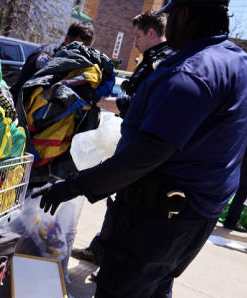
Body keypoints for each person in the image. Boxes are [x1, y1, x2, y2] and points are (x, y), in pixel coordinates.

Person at [33, 0, 247, 298]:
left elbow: (145, 154)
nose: (170, 24)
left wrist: (75, 185)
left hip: (161, 209)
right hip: (197, 210)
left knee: (122, 290)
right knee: (156, 281)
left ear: (187, 15)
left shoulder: (191, 72)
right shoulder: (238, 62)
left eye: (172, 16)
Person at [74, 12, 176, 265]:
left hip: (141, 143)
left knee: (127, 202)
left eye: (137, 35)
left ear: (151, 33)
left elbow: (134, 104)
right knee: (121, 199)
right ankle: (103, 249)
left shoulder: (160, 63)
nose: (135, 41)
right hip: (137, 139)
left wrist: (96, 100)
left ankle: (110, 256)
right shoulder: (158, 58)